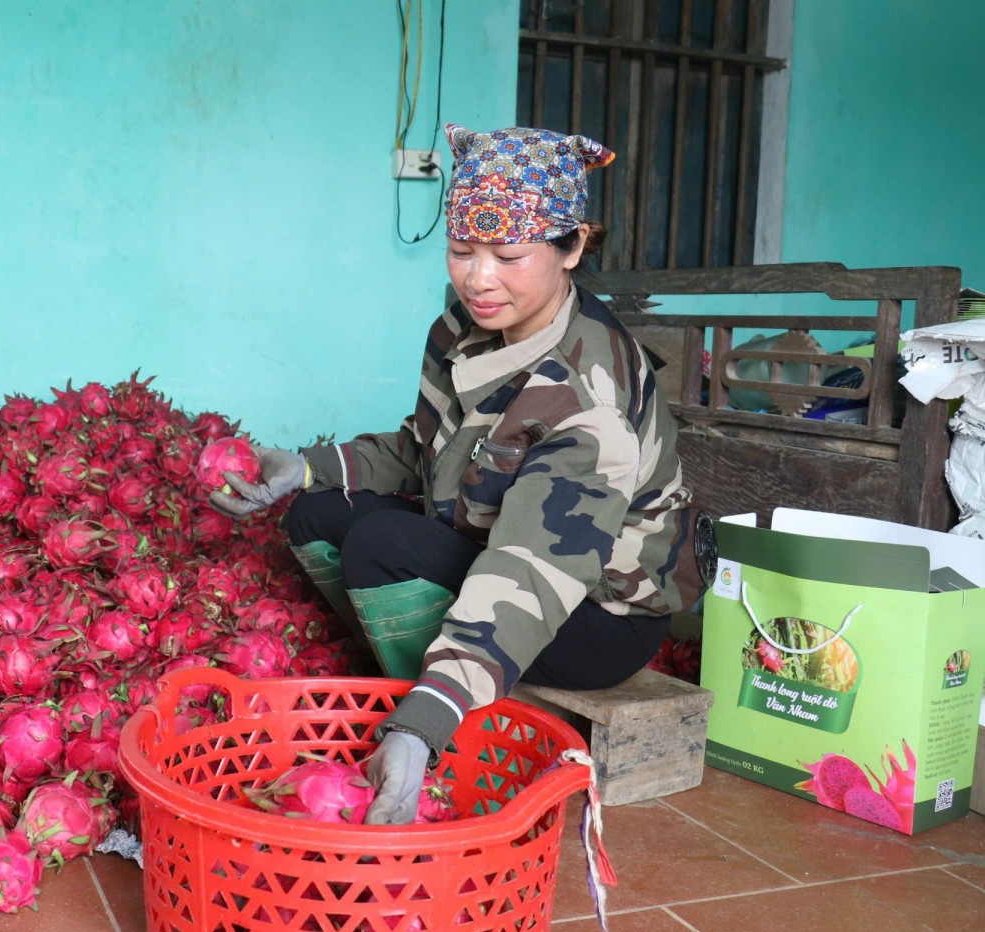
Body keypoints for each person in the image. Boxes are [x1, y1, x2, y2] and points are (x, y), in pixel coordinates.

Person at [210, 124, 705, 825]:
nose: (479, 278)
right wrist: (308, 467)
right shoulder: (461, 330)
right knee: (316, 513)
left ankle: (427, 710)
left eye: (508, 254)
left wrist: (426, 721)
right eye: (462, 250)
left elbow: (534, 570)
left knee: (380, 543)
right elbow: (426, 449)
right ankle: (410, 680)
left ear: (573, 248)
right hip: (498, 541)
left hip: (594, 610)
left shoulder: (590, 395)